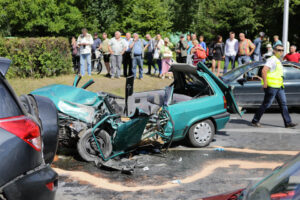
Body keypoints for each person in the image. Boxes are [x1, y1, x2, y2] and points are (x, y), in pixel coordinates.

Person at [251, 44, 297, 128]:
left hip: (279, 87)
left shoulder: (278, 60)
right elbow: (264, 71)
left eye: (282, 50)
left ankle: (288, 122)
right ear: (274, 51)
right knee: (266, 104)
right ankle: (255, 120)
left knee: (283, 104)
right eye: (279, 50)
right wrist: (265, 83)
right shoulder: (272, 60)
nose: (281, 52)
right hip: (271, 87)